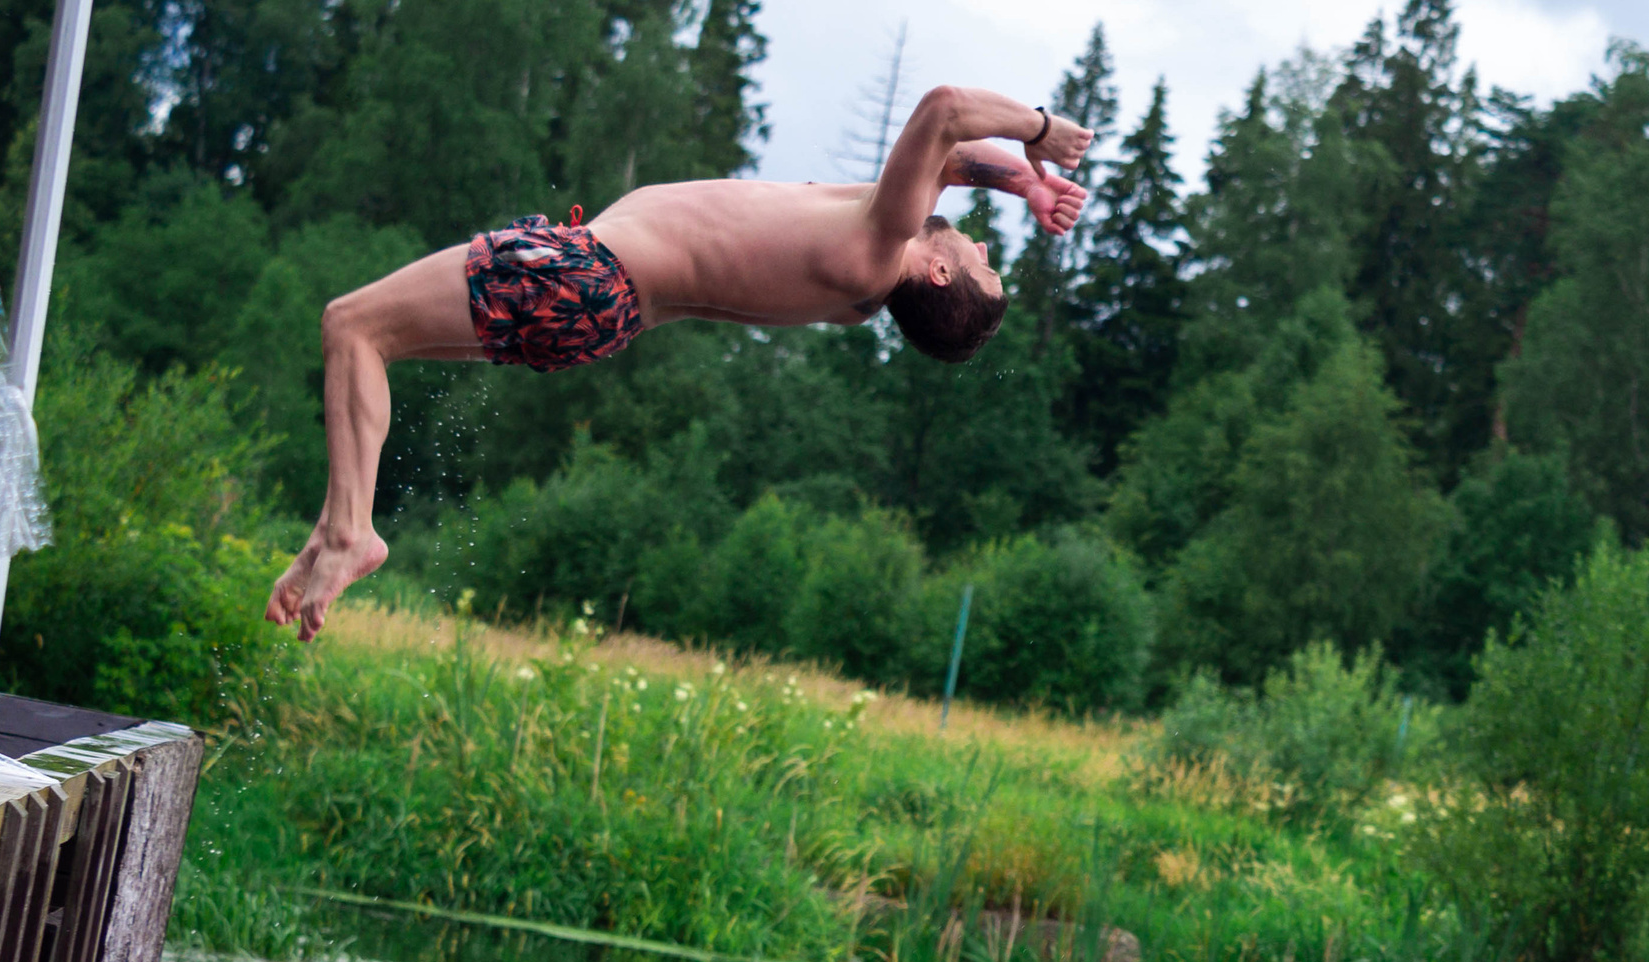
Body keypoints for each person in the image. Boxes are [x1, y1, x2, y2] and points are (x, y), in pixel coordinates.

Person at [265, 86, 1093, 640]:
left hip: (589, 273)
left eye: (985, 260)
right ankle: (335, 528)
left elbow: (946, 110)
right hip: (598, 306)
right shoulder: (864, 267)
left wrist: (1043, 132)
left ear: (940, 273)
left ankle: (351, 529)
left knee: (352, 326)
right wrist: (1028, 188)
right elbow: (950, 160)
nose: (984, 243)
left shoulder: (879, 247)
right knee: (371, 339)